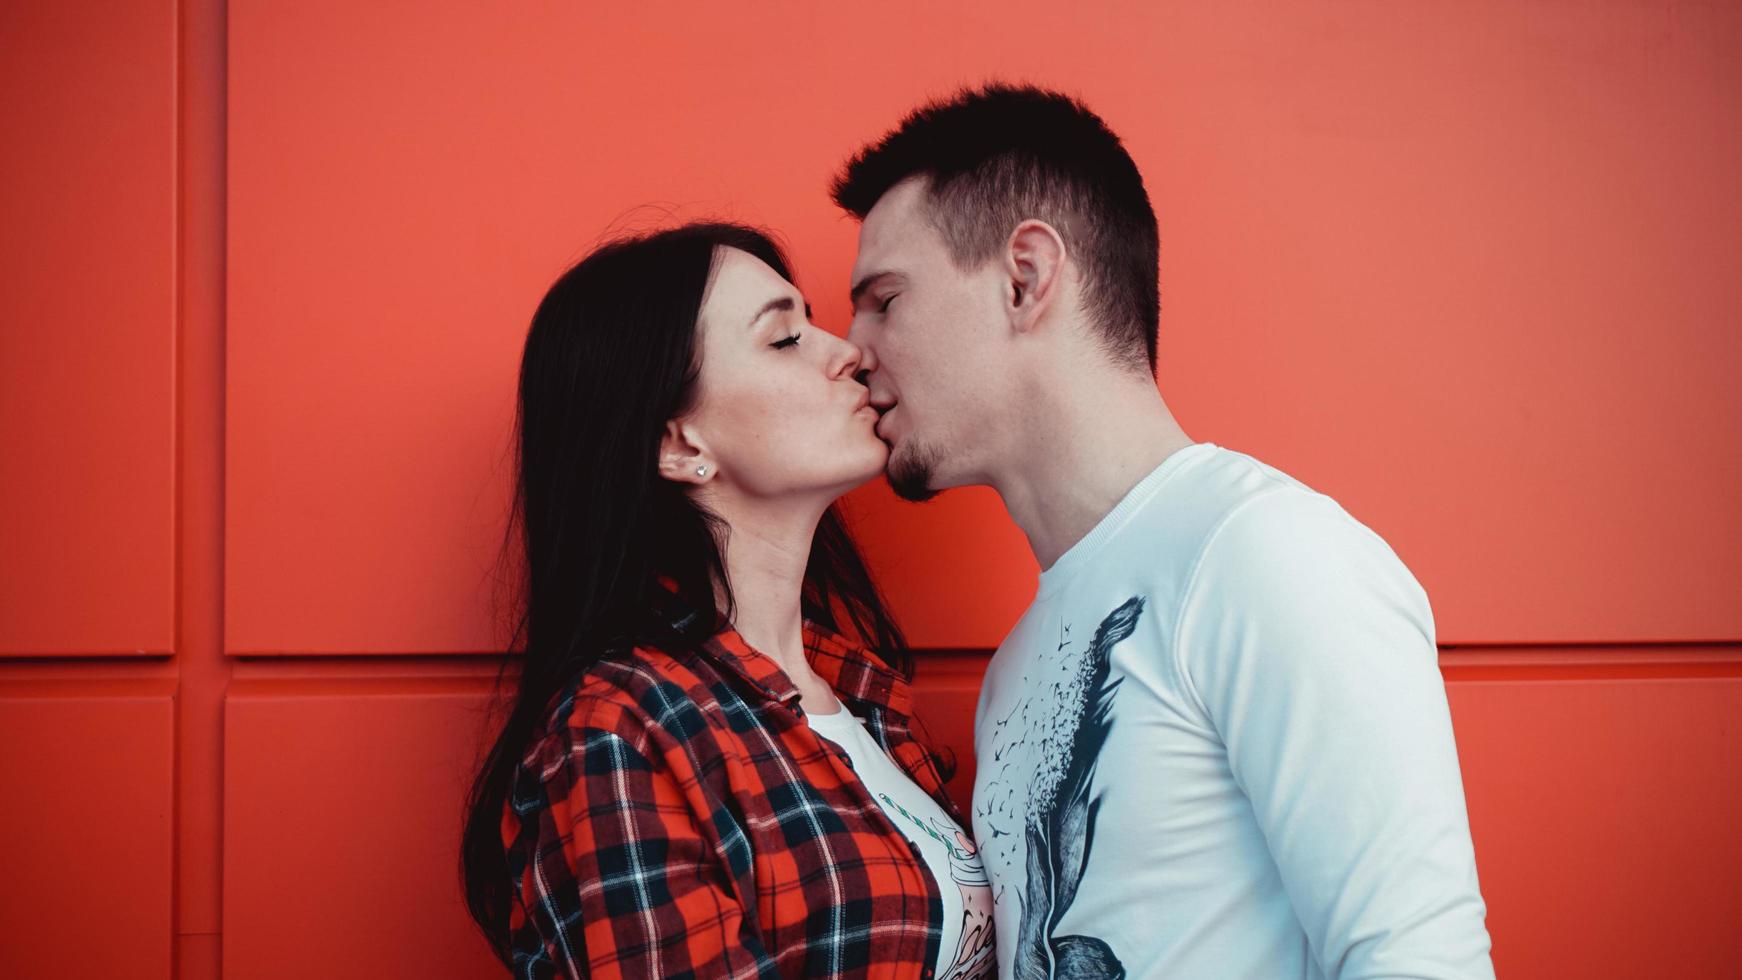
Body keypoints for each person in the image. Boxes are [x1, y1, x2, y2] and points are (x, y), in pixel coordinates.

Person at [832, 84, 1494, 979]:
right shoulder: (1016, 669)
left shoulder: (1263, 556)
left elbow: (1416, 959)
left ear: (1025, 278)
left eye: (885, 299)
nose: (853, 346)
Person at [459, 223, 996, 979]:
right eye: (784, 338)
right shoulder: (621, 730)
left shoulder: (866, 695)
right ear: (680, 445)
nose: (846, 351)